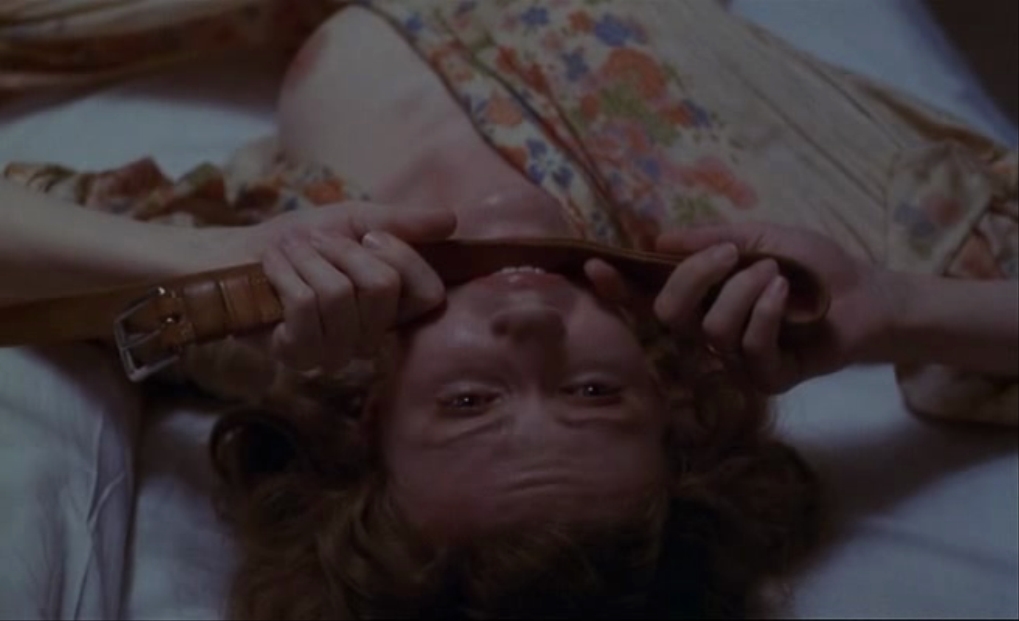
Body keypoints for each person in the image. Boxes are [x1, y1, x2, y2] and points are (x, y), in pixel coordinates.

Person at [1, 0, 1016, 618]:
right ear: (666, 401)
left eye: (469, 402)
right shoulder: (780, 257)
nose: (529, 333)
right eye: (592, 391)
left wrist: (201, 260)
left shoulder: (294, 317)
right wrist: (901, 307)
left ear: (369, 425)